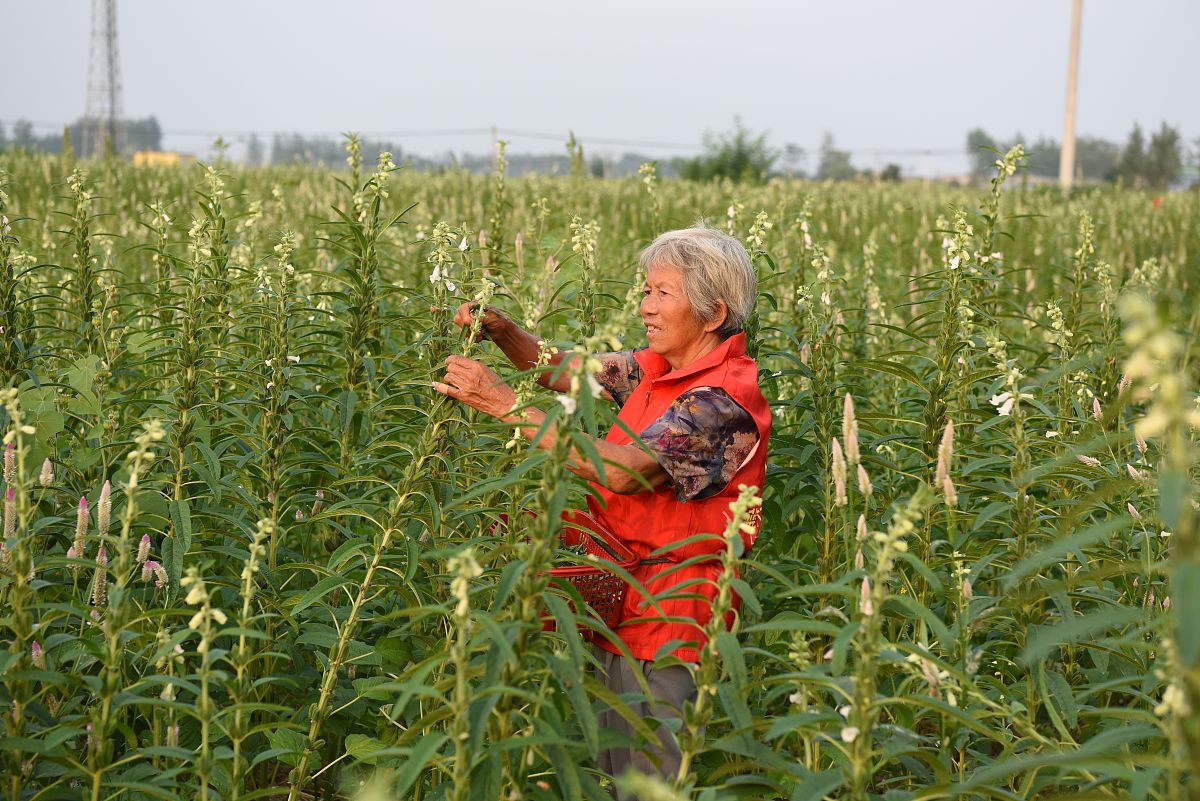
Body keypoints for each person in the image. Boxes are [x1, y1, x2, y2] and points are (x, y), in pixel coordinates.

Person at [433, 224, 771, 797]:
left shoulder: (726, 399)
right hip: (618, 598)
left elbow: (624, 470)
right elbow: (567, 369)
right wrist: (504, 332)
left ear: (713, 313)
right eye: (646, 291)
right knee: (615, 776)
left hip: (673, 617)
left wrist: (504, 405)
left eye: (662, 294)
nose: (645, 307)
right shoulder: (659, 368)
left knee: (652, 782)